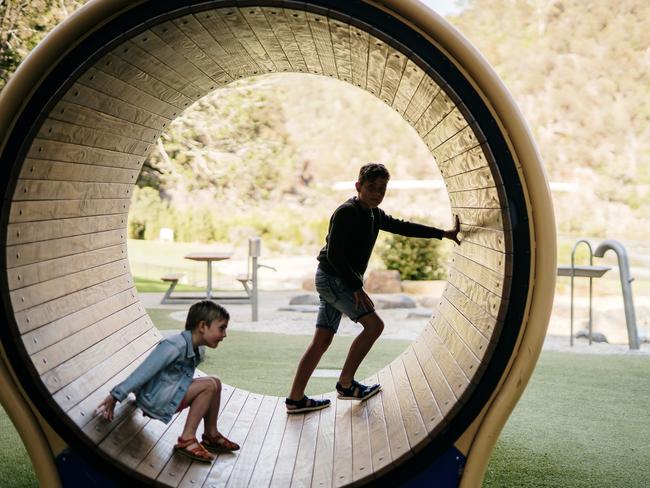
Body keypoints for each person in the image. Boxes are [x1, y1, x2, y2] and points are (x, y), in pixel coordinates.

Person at [285, 163, 461, 414]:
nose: (376, 194)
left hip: (334, 280)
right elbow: (334, 256)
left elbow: (404, 227)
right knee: (374, 326)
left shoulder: (374, 214)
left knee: (322, 340)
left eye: (381, 190)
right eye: (371, 188)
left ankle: (295, 399)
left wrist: (442, 234)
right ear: (358, 187)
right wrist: (356, 288)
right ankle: (346, 384)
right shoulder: (346, 212)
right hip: (333, 279)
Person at [96, 300, 239, 463]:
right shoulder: (174, 346)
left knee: (215, 382)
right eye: (221, 328)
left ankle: (211, 434)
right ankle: (187, 439)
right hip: (155, 402)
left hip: (167, 396)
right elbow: (144, 372)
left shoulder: (198, 348)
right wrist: (116, 395)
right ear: (202, 326)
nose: (224, 334)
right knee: (209, 386)